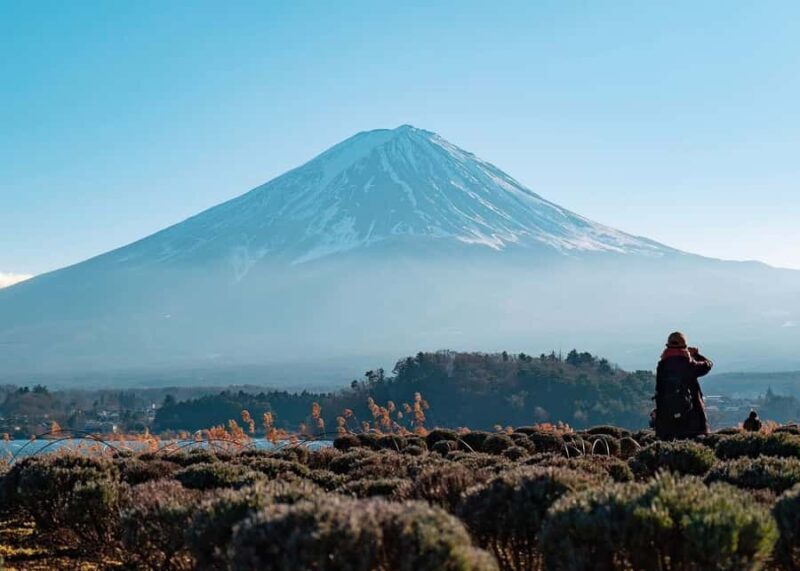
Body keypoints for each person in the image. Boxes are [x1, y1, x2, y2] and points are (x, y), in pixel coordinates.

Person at [654, 331, 713, 439]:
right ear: (684, 346)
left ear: (668, 346)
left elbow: (659, 390)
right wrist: (696, 355)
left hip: (667, 421)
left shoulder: (662, 365)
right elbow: (708, 364)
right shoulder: (689, 364)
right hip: (691, 421)